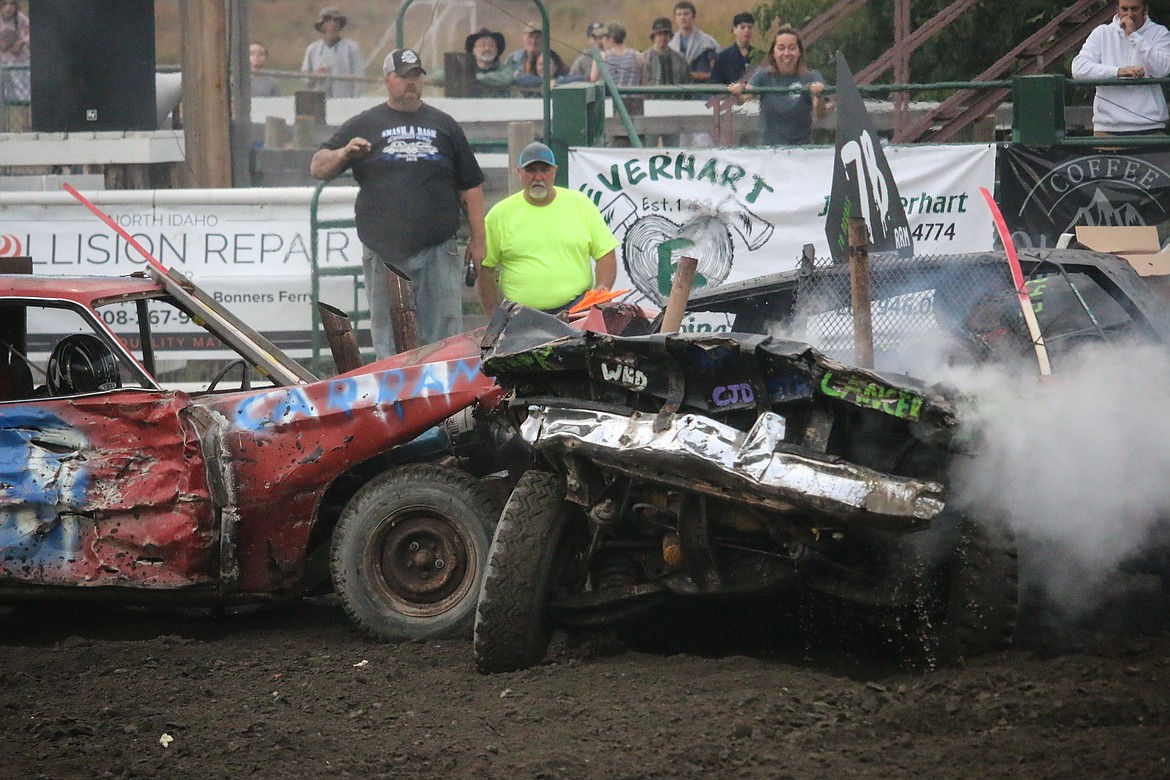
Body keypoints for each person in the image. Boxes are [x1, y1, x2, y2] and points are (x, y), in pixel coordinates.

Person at [310, 48, 487, 358]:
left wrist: (479, 239)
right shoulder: (364, 123)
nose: (411, 83)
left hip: (437, 249)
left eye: (416, 76)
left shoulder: (444, 125)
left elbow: (470, 185)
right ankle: (395, 402)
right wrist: (344, 153)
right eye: (403, 76)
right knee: (389, 344)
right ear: (387, 80)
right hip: (384, 250)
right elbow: (318, 167)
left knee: (445, 342)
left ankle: (446, 402)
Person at [477, 142, 617, 316]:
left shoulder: (580, 204)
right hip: (520, 315)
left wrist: (602, 288)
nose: (538, 177)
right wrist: (492, 313)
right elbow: (485, 269)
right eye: (531, 170)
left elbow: (606, 253)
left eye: (544, 170)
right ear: (519, 172)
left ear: (554, 171)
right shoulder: (499, 214)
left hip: (575, 310)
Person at [1071, 0, 1170, 135]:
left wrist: (1134, 36)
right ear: (1117, 10)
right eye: (1124, 9)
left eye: (1134, 9)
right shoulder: (1102, 33)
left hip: (1151, 126)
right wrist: (1118, 72)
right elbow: (1078, 68)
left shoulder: (1159, 33)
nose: (1129, 14)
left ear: (1145, 10)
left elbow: (1162, 70)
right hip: (1108, 128)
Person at [728, 25, 829, 146]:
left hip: (802, 152)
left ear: (799, 52)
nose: (787, 53)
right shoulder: (762, 76)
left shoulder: (812, 76)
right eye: (781, 48)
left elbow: (820, 113)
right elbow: (743, 99)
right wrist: (737, 92)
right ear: (773, 53)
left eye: (792, 48)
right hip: (769, 150)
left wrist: (818, 96)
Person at [643, 17, 691, 146]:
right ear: (653, 36)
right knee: (648, 150)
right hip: (650, 111)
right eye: (659, 34)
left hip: (673, 109)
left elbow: (686, 84)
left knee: (674, 151)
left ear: (670, 36)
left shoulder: (679, 59)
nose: (662, 37)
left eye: (665, 34)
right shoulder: (644, 58)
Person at [301, 6, 365, 99]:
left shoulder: (352, 48)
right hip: (319, 103)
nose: (332, 24)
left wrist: (353, 102)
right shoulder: (312, 49)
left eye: (336, 21)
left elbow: (359, 79)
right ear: (321, 26)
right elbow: (305, 79)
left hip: (344, 102)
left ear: (340, 25)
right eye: (328, 21)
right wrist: (314, 76)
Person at [669, 2, 719, 84]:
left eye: (686, 14)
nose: (682, 18)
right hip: (678, 90)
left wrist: (691, 75)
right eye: (679, 15)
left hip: (702, 90)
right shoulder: (670, 44)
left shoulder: (707, 43)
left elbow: (715, 72)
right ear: (675, 18)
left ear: (693, 16)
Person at [590, 23, 643, 87]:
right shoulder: (638, 56)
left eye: (603, 37)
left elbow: (593, 80)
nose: (602, 41)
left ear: (611, 39)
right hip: (634, 97)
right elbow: (644, 82)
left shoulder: (601, 57)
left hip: (610, 97)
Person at [710, 12, 756, 86]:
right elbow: (715, 83)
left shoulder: (759, 55)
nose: (746, 31)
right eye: (742, 27)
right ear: (734, 30)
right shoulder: (723, 57)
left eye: (750, 27)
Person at [464, 28, 512, 97]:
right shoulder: (466, 70)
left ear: (497, 50)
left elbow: (508, 79)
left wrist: (474, 78)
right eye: (482, 45)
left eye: (491, 45)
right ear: (473, 50)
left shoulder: (505, 69)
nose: (487, 48)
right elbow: (443, 75)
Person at [0, 0, 29, 103]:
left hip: (19, 64)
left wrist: (21, 42)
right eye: (5, 4)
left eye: (12, 4)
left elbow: (35, 32)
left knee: (23, 100)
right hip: (3, 65)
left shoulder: (19, 18)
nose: (9, 8)